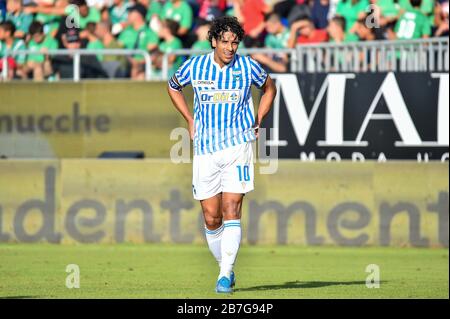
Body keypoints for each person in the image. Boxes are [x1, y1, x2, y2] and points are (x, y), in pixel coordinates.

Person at [166, 16, 277, 294]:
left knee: (231, 211)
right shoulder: (196, 65)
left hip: (238, 146)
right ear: (214, 41)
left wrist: (259, 117)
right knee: (211, 217)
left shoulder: (247, 66)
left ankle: (224, 275)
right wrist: (189, 119)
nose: (230, 47)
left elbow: (269, 87)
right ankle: (225, 266)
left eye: (235, 42)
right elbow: (173, 85)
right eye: (225, 42)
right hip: (205, 149)